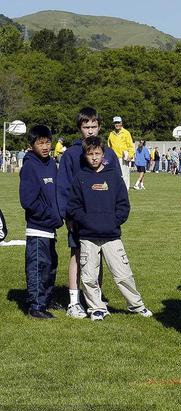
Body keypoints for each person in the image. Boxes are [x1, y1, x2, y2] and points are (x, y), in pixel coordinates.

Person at [66, 136, 152, 321]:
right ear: (85, 155)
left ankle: (136, 305)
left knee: (122, 274)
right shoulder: (80, 178)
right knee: (89, 276)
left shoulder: (113, 176)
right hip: (88, 236)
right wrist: (86, 221)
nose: (94, 158)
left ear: (103, 154)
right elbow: (73, 206)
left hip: (111, 235)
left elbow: (123, 205)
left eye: (98, 154)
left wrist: (114, 221)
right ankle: (96, 308)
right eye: (90, 154)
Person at [57, 107, 121, 319]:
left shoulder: (109, 153)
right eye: (86, 127)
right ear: (79, 128)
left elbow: (117, 186)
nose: (91, 131)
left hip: (103, 218)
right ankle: (74, 302)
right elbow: (63, 188)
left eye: (94, 126)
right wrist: (69, 217)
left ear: (100, 127)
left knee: (98, 257)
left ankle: (96, 301)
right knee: (77, 255)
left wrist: (114, 215)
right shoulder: (70, 155)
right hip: (79, 218)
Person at [19, 125, 64, 319]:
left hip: (51, 229)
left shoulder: (51, 163)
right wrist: (52, 216)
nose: (45, 146)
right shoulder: (30, 166)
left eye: (47, 142)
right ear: (31, 145)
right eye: (40, 143)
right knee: (38, 267)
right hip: (38, 229)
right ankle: (36, 307)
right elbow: (28, 201)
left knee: (50, 266)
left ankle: (46, 299)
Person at [107, 116, 135, 189]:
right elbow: (109, 147)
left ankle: (125, 190)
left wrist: (130, 155)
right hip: (114, 158)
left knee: (124, 175)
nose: (117, 124)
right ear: (113, 124)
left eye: (118, 122)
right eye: (115, 123)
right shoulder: (111, 134)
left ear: (121, 123)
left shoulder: (126, 133)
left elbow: (131, 146)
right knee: (115, 175)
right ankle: (116, 190)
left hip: (123, 158)